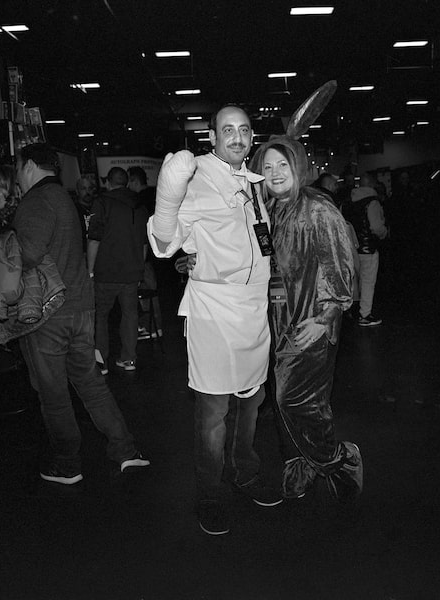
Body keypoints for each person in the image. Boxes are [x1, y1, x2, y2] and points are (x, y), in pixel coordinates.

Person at [147, 104, 281, 536]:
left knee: (251, 403)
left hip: (253, 311)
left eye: (244, 130)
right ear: (212, 137)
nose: (237, 137)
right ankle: (210, 494)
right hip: (215, 311)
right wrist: (169, 197)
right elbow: (166, 243)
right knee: (212, 413)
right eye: (228, 130)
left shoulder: (253, 181)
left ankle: (245, 472)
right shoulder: (196, 176)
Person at [12, 143, 149, 484]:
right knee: (91, 384)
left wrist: (1, 247)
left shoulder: (36, 202)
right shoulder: (64, 197)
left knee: (53, 394)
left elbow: (27, 254)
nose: (16, 176)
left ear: (29, 165)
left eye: (17, 168)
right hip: (79, 307)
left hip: (49, 313)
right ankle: (126, 451)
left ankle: (67, 463)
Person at [249, 136, 363, 502]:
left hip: (310, 320)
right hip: (276, 320)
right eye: (267, 167)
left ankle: (338, 459)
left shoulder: (317, 208)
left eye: (282, 165)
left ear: (297, 166)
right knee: (283, 400)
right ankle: (299, 467)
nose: (275, 173)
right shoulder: (271, 209)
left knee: (295, 399)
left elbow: (340, 264)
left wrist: (325, 317)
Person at [87, 167, 149, 373]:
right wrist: (139, 266)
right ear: (127, 182)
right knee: (130, 314)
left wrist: (90, 270)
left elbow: (94, 239)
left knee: (100, 317)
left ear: (107, 182)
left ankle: (101, 362)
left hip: (106, 270)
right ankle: (129, 359)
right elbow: (144, 243)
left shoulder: (102, 203)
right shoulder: (140, 205)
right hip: (131, 270)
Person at [343, 173, 389, 326]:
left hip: (350, 249)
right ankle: (365, 314)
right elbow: (376, 227)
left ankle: (348, 311)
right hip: (368, 248)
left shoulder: (348, 202)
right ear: (372, 184)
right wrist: (384, 233)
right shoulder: (372, 202)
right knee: (368, 281)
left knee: (352, 282)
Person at [127, 166, 163, 340]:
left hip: (145, 253)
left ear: (134, 181)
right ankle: (154, 326)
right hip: (158, 251)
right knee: (151, 291)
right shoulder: (156, 196)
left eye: (129, 181)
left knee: (146, 290)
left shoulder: (138, 202)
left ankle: (151, 327)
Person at [74, 175, 97, 251]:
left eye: (90, 188)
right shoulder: (73, 211)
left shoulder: (100, 208)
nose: (87, 192)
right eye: (83, 188)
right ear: (77, 191)